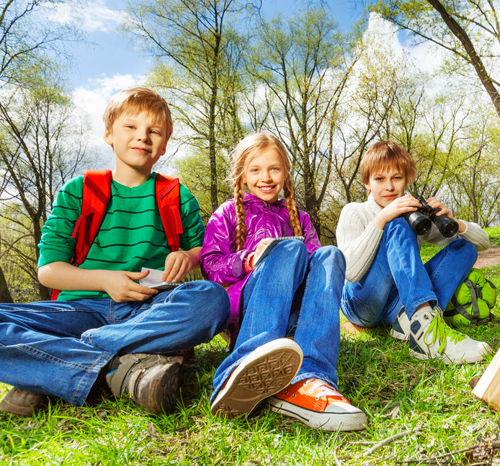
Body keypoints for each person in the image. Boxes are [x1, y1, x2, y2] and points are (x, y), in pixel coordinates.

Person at [0, 88, 229, 417]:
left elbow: (203, 251)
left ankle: (65, 363)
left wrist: (187, 256)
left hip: (149, 309)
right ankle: (121, 370)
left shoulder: (176, 195)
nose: (142, 137)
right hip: (78, 310)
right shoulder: (77, 192)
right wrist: (104, 280)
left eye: (154, 131)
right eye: (131, 127)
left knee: (211, 299)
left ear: (164, 146)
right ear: (109, 134)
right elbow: (49, 270)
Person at [200, 133, 367, 432]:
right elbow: (210, 265)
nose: (266, 177)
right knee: (289, 248)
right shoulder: (227, 213)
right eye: (255, 170)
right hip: (251, 310)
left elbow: (319, 272)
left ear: (286, 173)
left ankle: (312, 374)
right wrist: (247, 260)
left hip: (295, 310)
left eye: (274, 169)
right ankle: (243, 363)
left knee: (330, 254)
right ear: (241, 175)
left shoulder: (299, 217)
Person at [336, 141, 492, 365]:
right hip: (361, 302)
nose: (389, 186)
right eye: (380, 179)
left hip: (398, 304)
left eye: (396, 178)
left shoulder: (412, 214)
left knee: (464, 247)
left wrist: (453, 222)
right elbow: (351, 272)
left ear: (406, 181)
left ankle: (414, 321)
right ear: (367, 183)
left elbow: (482, 243)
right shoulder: (354, 211)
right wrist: (383, 219)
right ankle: (426, 334)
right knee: (397, 225)